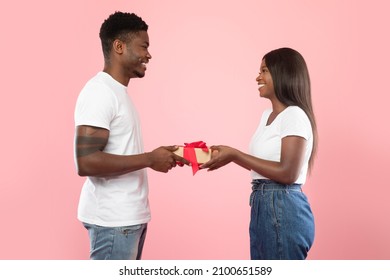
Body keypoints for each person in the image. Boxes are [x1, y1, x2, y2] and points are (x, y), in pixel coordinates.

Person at [73, 11, 189, 260]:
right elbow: (86, 161)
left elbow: (121, 150)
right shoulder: (99, 92)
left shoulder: (118, 94)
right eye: (143, 46)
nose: (148, 54)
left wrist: (163, 155)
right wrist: (149, 159)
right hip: (114, 222)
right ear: (119, 46)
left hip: (128, 221)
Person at [201, 47, 317, 260]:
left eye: (264, 70)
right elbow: (265, 166)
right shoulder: (267, 116)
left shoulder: (295, 115)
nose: (257, 77)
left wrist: (234, 155)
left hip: (283, 206)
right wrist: (226, 157)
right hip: (263, 203)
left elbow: (287, 173)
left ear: (283, 73)